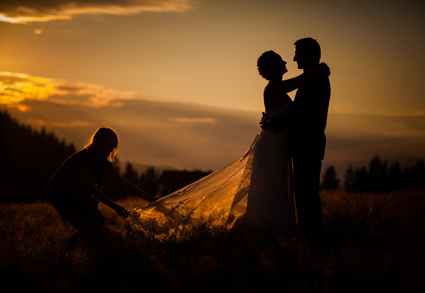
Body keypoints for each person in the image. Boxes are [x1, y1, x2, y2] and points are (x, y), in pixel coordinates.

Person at [127, 52, 328, 241]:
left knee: (273, 187)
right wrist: (323, 67)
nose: (287, 62)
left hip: (276, 145)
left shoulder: (276, 87)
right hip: (272, 146)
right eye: (281, 60)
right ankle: (266, 231)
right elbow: (300, 85)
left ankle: (271, 230)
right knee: (270, 187)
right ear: (275, 66)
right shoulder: (275, 87)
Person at [262, 37, 331, 239]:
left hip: (308, 144)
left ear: (310, 55)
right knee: (303, 194)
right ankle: (310, 236)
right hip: (302, 145)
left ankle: (312, 236)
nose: (293, 59)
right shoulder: (310, 79)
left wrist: (273, 123)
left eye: (298, 53)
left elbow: (303, 115)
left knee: (306, 194)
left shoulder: (316, 80)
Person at [47, 127, 156, 245]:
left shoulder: (102, 161)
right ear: (97, 141)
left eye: (113, 146)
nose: (110, 148)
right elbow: (93, 189)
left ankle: (83, 249)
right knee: (87, 227)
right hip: (60, 194)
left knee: (98, 221)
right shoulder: (84, 157)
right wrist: (115, 207)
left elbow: (123, 183)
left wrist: (151, 199)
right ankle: (66, 250)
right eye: (108, 144)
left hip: (77, 194)